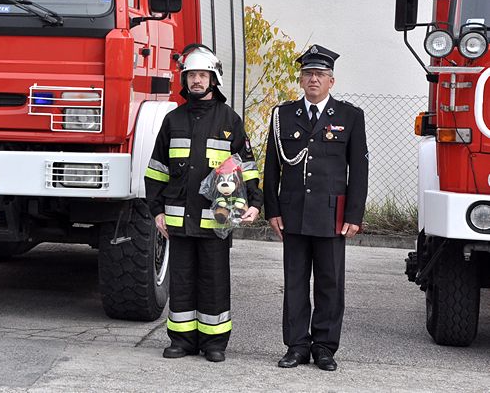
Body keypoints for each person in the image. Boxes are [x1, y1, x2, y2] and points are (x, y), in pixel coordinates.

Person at [145, 45, 262, 363]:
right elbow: (156, 170)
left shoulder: (230, 120)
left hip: (216, 220)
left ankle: (214, 342)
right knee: (182, 280)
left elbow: (247, 166)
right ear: (185, 80)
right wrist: (156, 211)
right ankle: (181, 340)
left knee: (214, 281)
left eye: (202, 75)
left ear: (213, 79)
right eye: (191, 75)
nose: (196, 80)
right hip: (179, 220)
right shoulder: (172, 120)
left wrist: (255, 202)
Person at [263, 44, 368, 371]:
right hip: (293, 213)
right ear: (300, 79)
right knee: (294, 282)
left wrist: (353, 215)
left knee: (330, 283)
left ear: (331, 81)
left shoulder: (350, 116)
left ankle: (324, 347)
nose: (313, 79)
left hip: (331, 215)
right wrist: (272, 209)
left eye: (320, 74)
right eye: (308, 73)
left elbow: (359, 169)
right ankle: (296, 346)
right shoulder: (282, 115)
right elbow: (271, 167)